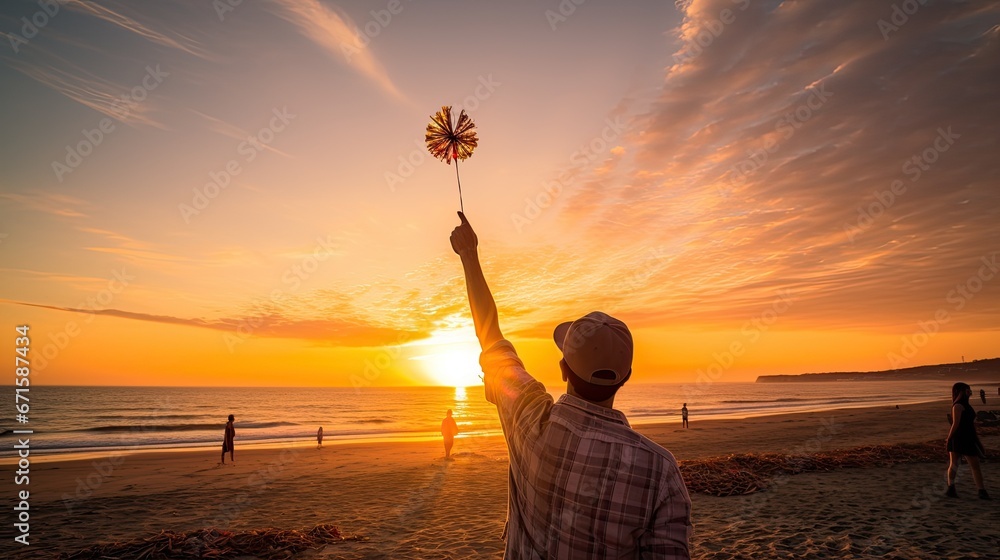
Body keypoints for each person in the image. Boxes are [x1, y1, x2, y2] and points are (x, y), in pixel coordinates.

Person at [450, 212, 692, 557]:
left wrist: (469, 254)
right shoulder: (660, 469)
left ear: (563, 368)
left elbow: (491, 338)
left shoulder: (530, 419)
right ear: (626, 377)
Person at [946, 382, 989, 499]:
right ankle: (951, 488)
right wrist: (949, 438)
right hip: (959, 437)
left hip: (969, 437)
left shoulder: (967, 405)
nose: (969, 392)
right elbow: (955, 424)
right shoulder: (958, 406)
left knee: (975, 465)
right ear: (961, 391)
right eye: (967, 390)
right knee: (954, 464)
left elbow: (970, 423)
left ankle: (981, 491)